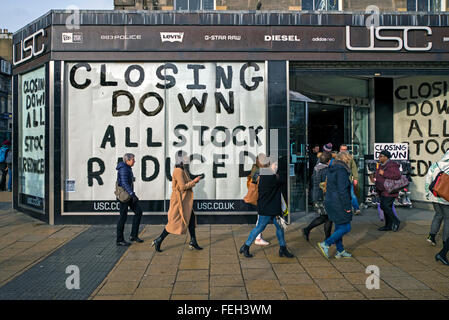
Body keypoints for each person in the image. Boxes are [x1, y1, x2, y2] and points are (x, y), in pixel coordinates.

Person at [239, 157, 294, 258]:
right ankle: (245, 246)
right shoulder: (271, 177)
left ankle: (283, 248)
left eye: (277, 165)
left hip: (271, 207)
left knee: (280, 227)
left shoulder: (261, 174)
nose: (276, 167)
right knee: (260, 227)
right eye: (275, 165)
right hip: (268, 208)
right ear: (269, 165)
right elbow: (283, 180)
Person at [152, 150, 203, 252]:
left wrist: (193, 180)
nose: (187, 159)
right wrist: (194, 181)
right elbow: (182, 187)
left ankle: (193, 241)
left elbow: (185, 183)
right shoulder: (178, 171)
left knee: (191, 219)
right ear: (181, 159)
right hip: (179, 201)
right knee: (173, 223)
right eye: (185, 157)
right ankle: (159, 240)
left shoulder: (182, 169)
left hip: (184, 201)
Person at [317, 151, 353, 259]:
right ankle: (326, 243)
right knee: (346, 227)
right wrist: (347, 207)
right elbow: (342, 190)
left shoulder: (331, 168)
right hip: (339, 203)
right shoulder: (341, 170)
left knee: (339, 227)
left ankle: (340, 250)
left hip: (331, 201)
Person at [302, 151, 333, 242]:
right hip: (322, 197)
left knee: (327, 217)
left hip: (317, 195)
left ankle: (327, 238)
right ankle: (307, 229)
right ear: (328, 161)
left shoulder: (317, 167)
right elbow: (326, 185)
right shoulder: (325, 170)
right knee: (327, 217)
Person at [116, 153, 143, 246]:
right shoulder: (124, 168)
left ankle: (133, 235)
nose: (134, 161)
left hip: (129, 195)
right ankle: (119, 240)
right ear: (127, 160)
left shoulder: (127, 168)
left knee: (138, 212)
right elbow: (124, 183)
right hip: (125, 196)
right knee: (122, 217)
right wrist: (132, 194)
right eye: (133, 159)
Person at [425, 150, 449, 249]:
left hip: (434, 196)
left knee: (438, 214)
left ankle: (432, 236)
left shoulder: (435, 165)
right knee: (448, 219)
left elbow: (428, 179)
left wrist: (428, 194)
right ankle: (445, 242)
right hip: (446, 198)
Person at [374, 150, 402, 232]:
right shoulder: (381, 165)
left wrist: (384, 173)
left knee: (385, 206)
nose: (379, 157)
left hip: (390, 190)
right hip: (382, 190)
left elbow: (397, 176)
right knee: (385, 206)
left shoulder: (392, 165)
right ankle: (388, 225)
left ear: (386, 157)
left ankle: (395, 221)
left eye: (381, 156)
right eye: (379, 156)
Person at [247, 153, 270, 246]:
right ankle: (257, 238)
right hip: (261, 197)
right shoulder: (260, 171)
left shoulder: (256, 168)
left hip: (260, 197)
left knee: (260, 218)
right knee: (260, 218)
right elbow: (259, 185)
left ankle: (258, 237)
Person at [339, 144, 361, 215]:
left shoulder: (350, 158)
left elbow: (354, 168)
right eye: (342, 149)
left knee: (352, 195)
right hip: (339, 180)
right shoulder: (337, 158)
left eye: (345, 149)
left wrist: (355, 178)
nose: (344, 151)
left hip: (348, 180)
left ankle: (356, 208)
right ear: (340, 150)